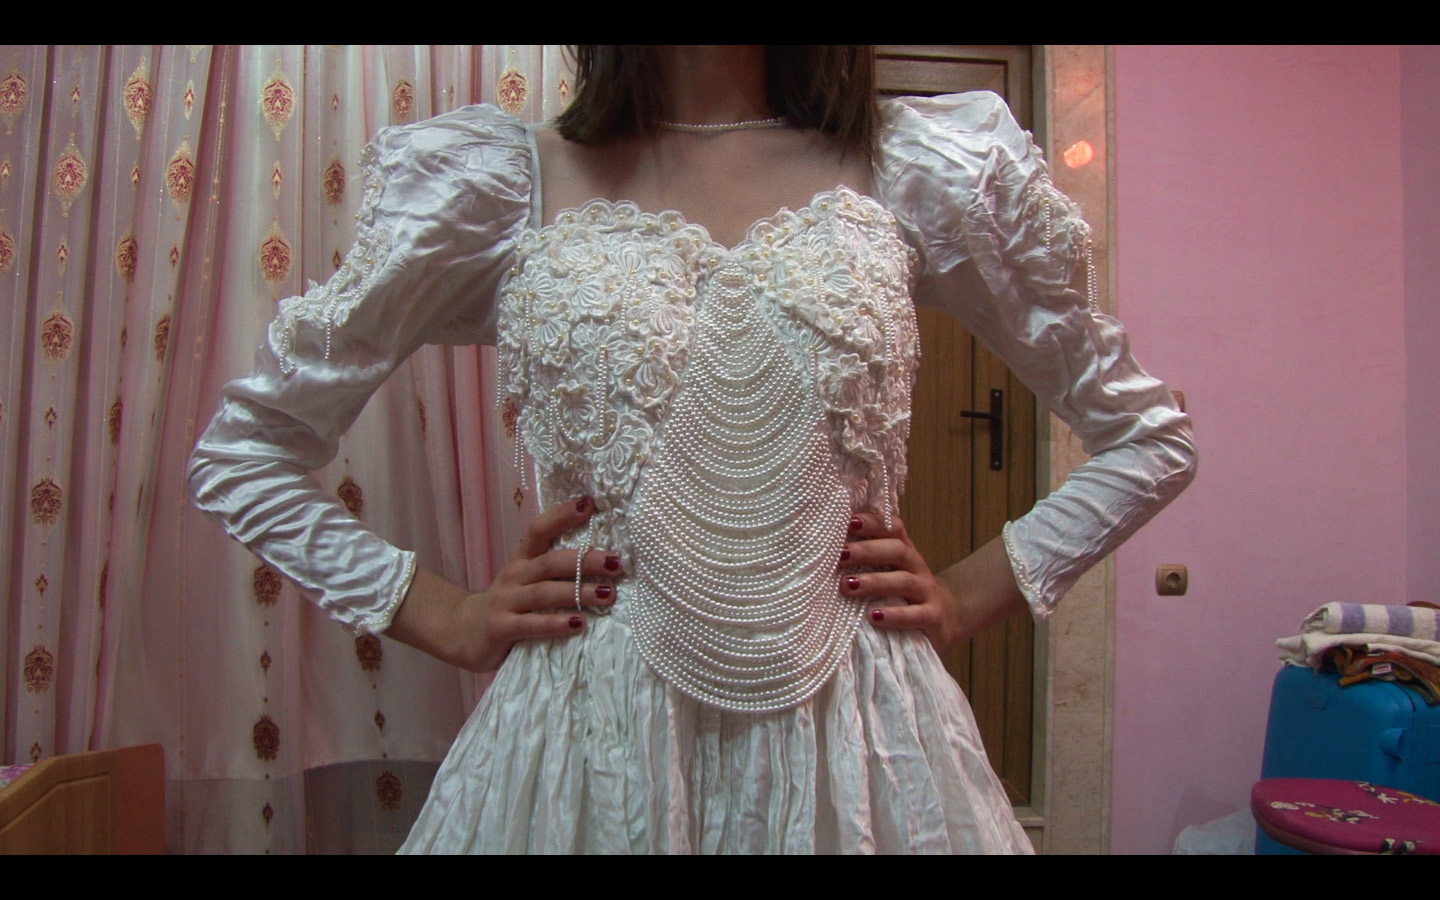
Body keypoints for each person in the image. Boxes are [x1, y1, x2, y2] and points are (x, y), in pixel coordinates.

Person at [189, 45, 1195, 853]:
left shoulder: (923, 169)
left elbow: (1148, 439)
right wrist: (443, 613)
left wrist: (974, 594)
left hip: (859, 751)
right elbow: (243, 455)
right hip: (589, 753)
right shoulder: (501, 183)